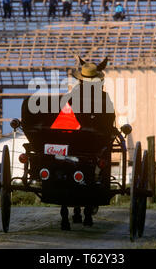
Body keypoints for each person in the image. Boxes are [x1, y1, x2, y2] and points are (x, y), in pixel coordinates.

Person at [59, 56, 113, 230]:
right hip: (94, 145)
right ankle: (87, 212)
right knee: (97, 167)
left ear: (80, 80)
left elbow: (64, 119)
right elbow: (109, 121)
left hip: (71, 142)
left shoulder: (71, 97)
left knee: (65, 169)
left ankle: (70, 213)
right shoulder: (104, 99)